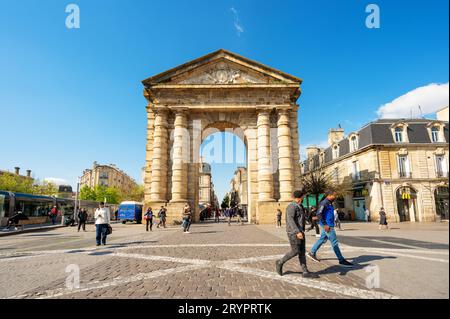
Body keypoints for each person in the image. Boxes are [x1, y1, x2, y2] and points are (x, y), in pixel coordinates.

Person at [275, 190, 317, 278]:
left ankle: (305, 271)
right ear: (300, 197)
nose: (303, 199)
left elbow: (301, 218)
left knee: (302, 252)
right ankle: (280, 262)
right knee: (295, 251)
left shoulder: (300, 206)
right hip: (294, 233)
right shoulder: (291, 207)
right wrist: (297, 232)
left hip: (300, 231)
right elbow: (290, 220)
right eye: (302, 197)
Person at [308, 190, 354, 267]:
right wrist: (325, 225)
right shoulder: (324, 203)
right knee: (334, 242)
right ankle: (341, 260)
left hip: (328, 225)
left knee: (322, 239)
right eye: (334, 195)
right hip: (328, 226)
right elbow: (319, 214)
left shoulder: (329, 203)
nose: (335, 197)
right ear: (329, 195)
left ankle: (312, 253)